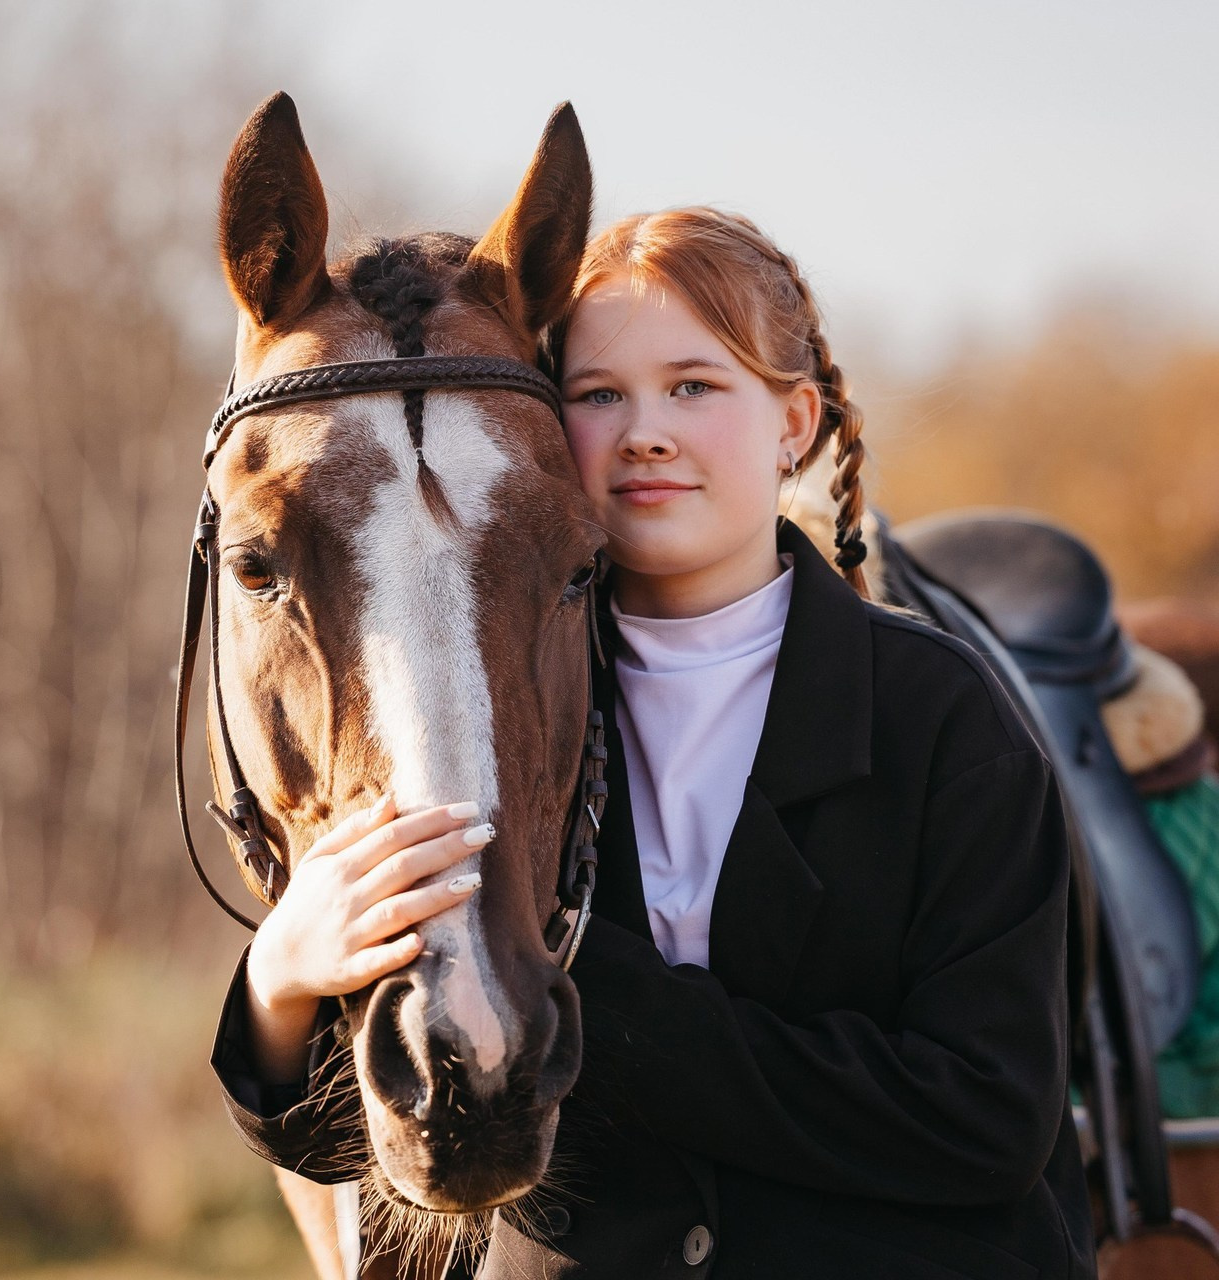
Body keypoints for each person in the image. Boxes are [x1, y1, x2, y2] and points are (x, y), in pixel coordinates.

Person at [213, 207, 1097, 1278]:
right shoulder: (505, 700)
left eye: (693, 385)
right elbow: (347, 1140)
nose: (643, 432)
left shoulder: (943, 718)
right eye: (596, 395)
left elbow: (988, 1117)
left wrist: (599, 994)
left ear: (794, 422)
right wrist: (281, 977)